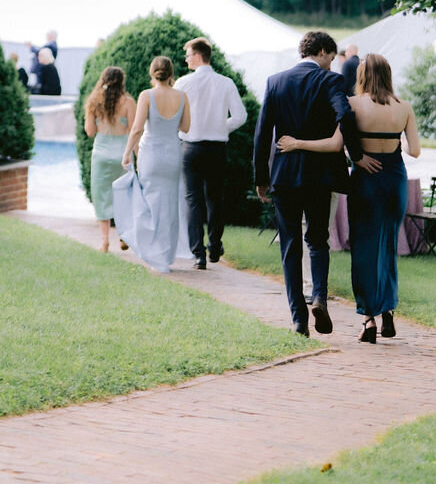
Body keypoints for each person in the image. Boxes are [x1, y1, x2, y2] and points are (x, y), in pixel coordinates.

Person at [277, 53, 420, 343]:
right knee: (387, 246)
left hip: (366, 180)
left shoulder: (352, 104)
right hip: (394, 179)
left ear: (362, 76)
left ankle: (369, 320)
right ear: (388, 75)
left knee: (363, 248)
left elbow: (334, 145)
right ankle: (388, 310)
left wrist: (297, 143)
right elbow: (414, 150)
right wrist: (398, 140)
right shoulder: (404, 107)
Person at [254, 30, 373, 337]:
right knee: (318, 240)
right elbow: (345, 116)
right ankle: (319, 295)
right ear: (321, 51)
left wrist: (261, 178)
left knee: (290, 246)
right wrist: (356, 155)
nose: (331, 65)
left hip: (284, 175)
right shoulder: (330, 81)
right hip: (320, 176)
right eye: (331, 58)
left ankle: (298, 319)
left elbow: (262, 132)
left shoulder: (275, 82)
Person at [112, 56, 191, 272]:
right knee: (169, 205)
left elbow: (137, 128)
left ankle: (152, 251)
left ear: (152, 72)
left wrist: (127, 153)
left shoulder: (146, 95)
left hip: (151, 155)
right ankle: (165, 254)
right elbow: (185, 127)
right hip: (172, 154)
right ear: (171, 73)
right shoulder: (182, 96)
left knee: (149, 203)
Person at [176, 37, 248, 269]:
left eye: (188, 55)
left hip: (191, 147)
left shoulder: (183, 83)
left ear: (198, 56)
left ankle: (198, 254)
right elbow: (240, 116)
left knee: (193, 200)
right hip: (217, 148)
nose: (186, 59)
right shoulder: (226, 83)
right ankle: (215, 247)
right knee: (215, 198)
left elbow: (174, 115)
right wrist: (220, 126)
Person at [85, 65, 135, 252]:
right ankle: (123, 235)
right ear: (122, 82)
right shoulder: (128, 102)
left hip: (101, 156)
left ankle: (104, 241)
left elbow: (90, 132)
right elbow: (134, 131)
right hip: (123, 155)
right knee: (125, 195)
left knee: (101, 197)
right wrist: (137, 155)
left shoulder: (93, 101)